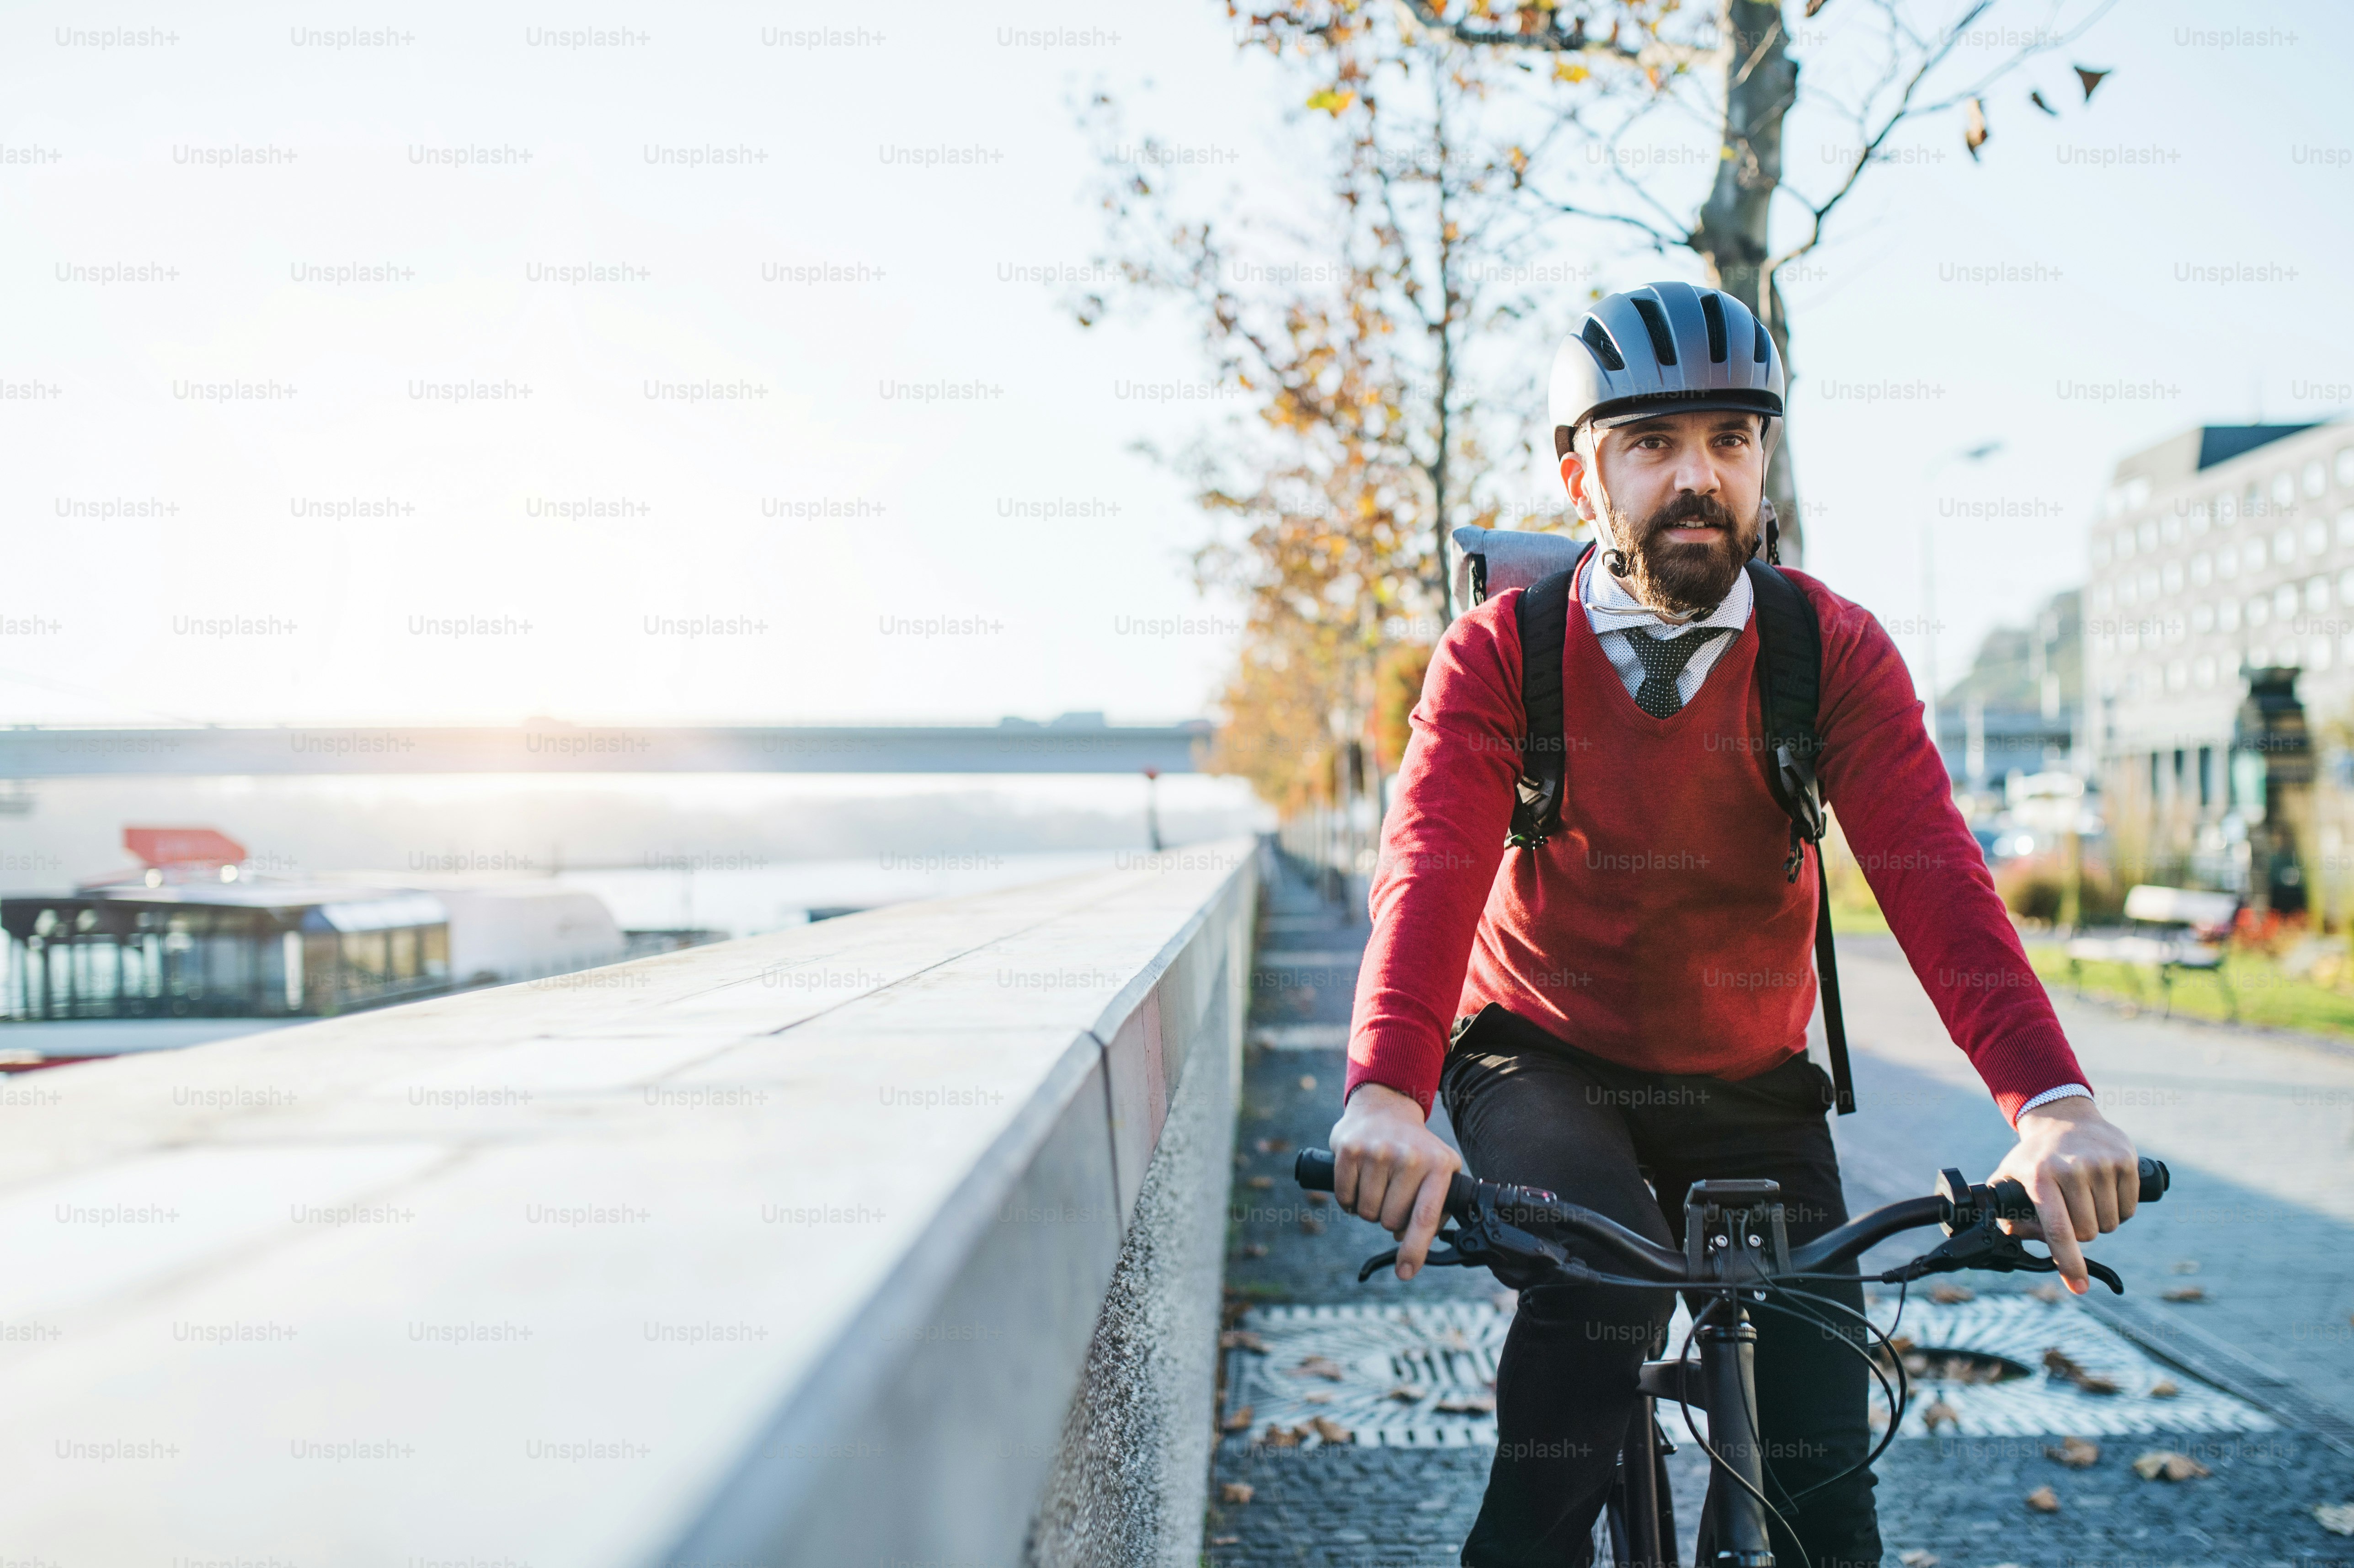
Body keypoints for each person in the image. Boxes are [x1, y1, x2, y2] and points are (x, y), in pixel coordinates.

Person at [1326, 280, 2143, 1567]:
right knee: (1605, 1299)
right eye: (1652, 444)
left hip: (1751, 1080)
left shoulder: (1832, 655)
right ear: (1580, 476)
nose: (1698, 476)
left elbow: (1938, 881)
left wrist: (2050, 1103)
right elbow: (1427, 871)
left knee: (1825, 1484)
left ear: (1767, 460)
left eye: (1731, 439)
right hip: (1544, 1053)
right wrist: (1387, 1093)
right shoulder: (1500, 657)